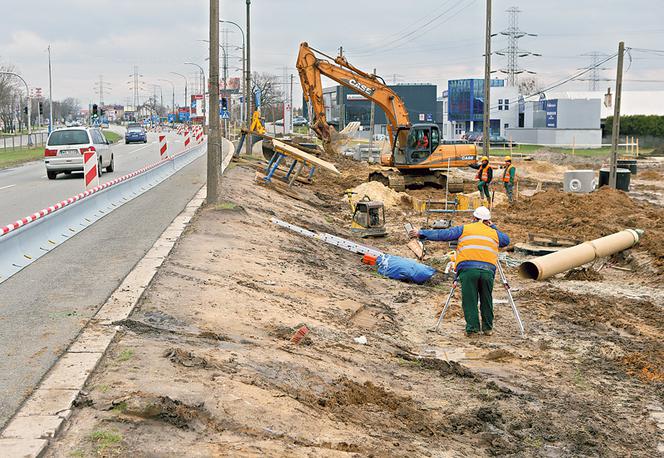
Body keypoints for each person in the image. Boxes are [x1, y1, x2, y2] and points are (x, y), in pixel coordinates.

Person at [409, 206, 510, 336]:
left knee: (470, 299)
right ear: (488, 220)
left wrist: (421, 233)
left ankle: (473, 329)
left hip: (468, 269)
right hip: (487, 271)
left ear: (474, 218)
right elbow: (506, 241)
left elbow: (443, 235)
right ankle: (488, 329)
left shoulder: (464, 229)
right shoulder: (494, 233)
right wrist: (493, 227)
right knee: (486, 298)